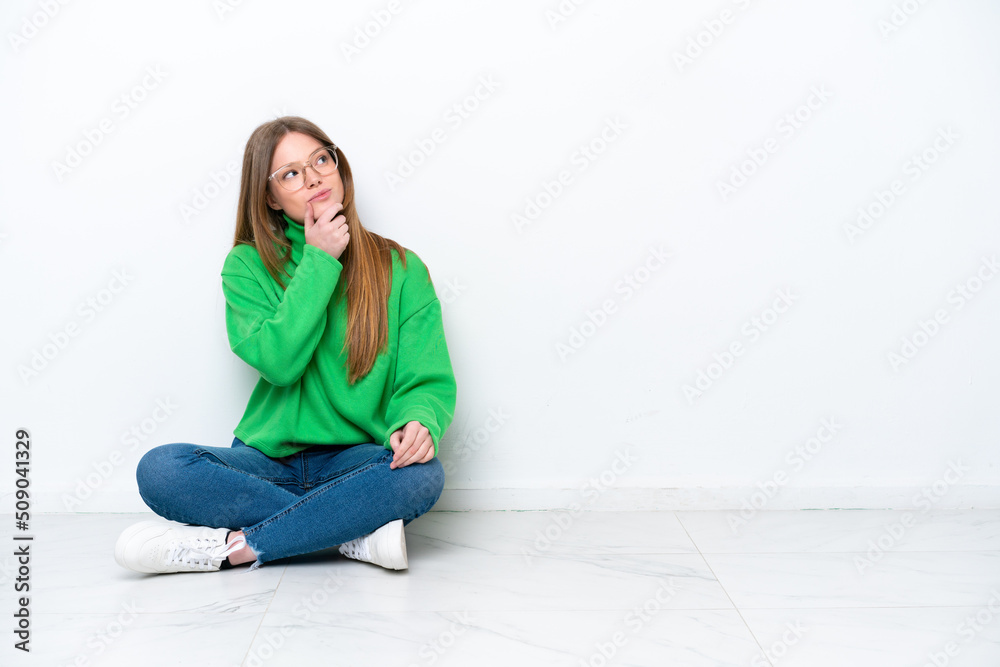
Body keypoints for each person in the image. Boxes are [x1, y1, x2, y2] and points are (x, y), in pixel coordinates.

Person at [114, 116, 456, 574]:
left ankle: (236, 548)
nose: (313, 176)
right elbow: (279, 363)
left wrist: (419, 420)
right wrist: (320, 261)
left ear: (339, 167)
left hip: (354, 460)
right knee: (161, 468)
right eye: (291, 173)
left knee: (422, 475)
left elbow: (425, 376)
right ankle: (349, 532)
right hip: (264, 461)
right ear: (270, 198)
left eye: (320, 160)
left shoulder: (402, 268)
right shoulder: (246, 266)